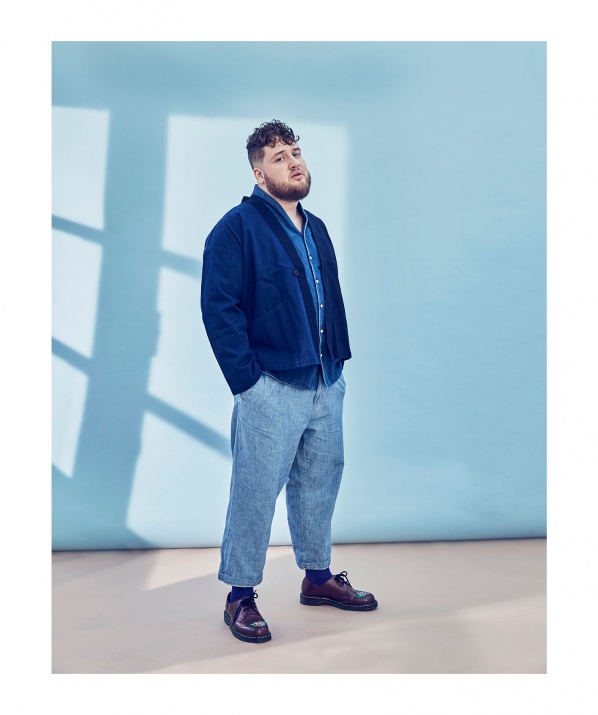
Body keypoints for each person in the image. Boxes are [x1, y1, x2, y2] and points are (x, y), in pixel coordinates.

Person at [201, 120, 377, 644]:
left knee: (320, 482)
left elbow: (327, 300)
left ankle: (317, 577)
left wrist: (337, 364)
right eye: (280, 157)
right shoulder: (236, 229)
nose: (294, 162)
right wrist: (247, 383)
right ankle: (239, 595)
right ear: (259, 173)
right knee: (255, 491)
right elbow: (219, 309)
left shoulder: (315, 227)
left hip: (326, 378)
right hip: (271, 386)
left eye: (296, 152)